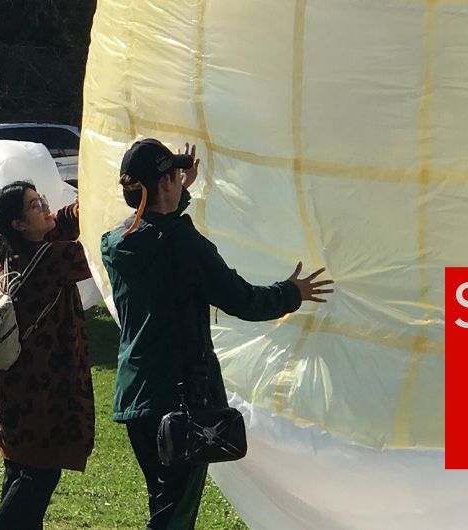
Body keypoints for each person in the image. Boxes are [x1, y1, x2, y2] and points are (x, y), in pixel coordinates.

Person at [100, 139, 333, 530]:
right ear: (163, 183)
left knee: (163, 502)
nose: (180, 181)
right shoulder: (183, 244)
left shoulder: (115, 243)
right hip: (182, 398)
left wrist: (181, 189)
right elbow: (242, 300)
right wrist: (293, 292)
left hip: (137, 395)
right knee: (174, 514)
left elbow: (156, 232)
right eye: (175, 176)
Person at [0, 180, 95, 529]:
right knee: (38, 478)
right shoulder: (48, 259)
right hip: (37, 397)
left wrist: (90, 194)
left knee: (20, 474)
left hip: (12, 390)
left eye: (40, 199)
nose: (45, 207)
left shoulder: (18, 253)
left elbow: (62, 220)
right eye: (34, 206)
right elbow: (106, 250)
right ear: (18, 225)